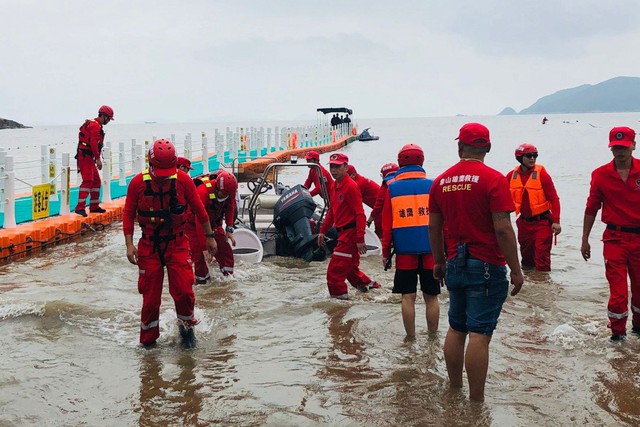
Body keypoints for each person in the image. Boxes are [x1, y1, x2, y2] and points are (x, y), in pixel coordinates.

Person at [429, 122, 524, 401]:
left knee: (457, 328)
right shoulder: (494, 179)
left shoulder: (441, 181)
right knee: (479, 333)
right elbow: (503, 228)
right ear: (489, 148)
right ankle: (476, 401)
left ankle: (455, 388)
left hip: (455, 262)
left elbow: (433, 227)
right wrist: (516, 271)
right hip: (485, 264)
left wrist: (439, 261)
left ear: (459, 147)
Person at [123, 139, 217, 349]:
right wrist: (129, 245)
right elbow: (128, 214)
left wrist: (209, 236)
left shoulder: (183, 180)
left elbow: (200, 210)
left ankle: (187, 331)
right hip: (149, 245)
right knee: (150, 299)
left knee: (184, 290)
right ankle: (148, 343)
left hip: (177, 243)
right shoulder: (137, 183)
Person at [581, 126, 640, 341]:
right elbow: (591, 208)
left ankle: (638, 329)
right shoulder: (601, 174)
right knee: (618, 291)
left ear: (633, 145)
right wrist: (584, 239)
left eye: (624, 147)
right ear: (610, 148)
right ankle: (617, 334)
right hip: (615, 238)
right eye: (615, 147)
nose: (620, 151)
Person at [381, 145, 440, 338]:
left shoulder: (392, 188)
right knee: (431, 296)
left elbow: (387, 225)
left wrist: (384, 253)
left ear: (399, 163)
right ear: (422, 162)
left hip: (405, 253)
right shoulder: (434, 185)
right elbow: (443, 222)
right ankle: (433, 337)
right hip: (431, 251)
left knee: (408, 296)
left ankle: (411, 338)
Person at [318, 153, 380, 299]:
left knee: (334, 275)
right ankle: (372, 288)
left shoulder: (351, 187)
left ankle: (340, 308)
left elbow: (360, 214)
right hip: (343, 233)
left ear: (346, 167)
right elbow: (332, 211)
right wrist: (322, 231)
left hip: (349, 236)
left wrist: (360, 239)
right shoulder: (334, 185)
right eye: (332, 166)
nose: (333, 170)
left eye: (337, 166)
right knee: (350, 270)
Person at [506, 143, 561, 271]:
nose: (532, 158)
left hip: (543, 222)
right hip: (524, 223)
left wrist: (556, 221)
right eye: (529, 156)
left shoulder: (542, 175)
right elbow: (500, 197)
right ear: (520, 158)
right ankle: (530, 287)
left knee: (542, 257)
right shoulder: (510, 176)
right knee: (526, 260)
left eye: (535, 156)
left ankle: (543, 285)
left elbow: (554, 199)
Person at [187, 170, 238, 282]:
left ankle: (228, 277)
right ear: (217, 189)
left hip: (214, 220)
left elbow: (230, 208)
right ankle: (202, 282)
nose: (226, 196)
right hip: (193, 223)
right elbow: (199, 221)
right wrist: (204, 248)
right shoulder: (203, 192)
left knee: (224, 247)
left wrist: (229, 229)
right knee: (199, 255)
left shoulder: (230, 191)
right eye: (224, 194)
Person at [74, 105, 114, 217]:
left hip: (89, 156)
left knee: (96, 181)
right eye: (109, 118)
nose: (109, 121)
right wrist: (98, 159)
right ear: (104, 116)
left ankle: (94, 206)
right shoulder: (95, 126)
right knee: (88, 181)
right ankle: (80, 207)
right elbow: (93, 144)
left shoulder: (94, 124)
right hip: (85, 156)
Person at [347, 164, 382, 237]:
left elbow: (353, 205)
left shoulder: (357, 184)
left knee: (380, 233)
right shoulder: (359, 180)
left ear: (353, 175)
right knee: (379, 232)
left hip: (380, 208)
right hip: (378, 208)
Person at [370, 162, 399, 239]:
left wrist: (369, 221)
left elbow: (378, 207)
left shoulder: (385, 187)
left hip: (388, 223)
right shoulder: (403, 183)